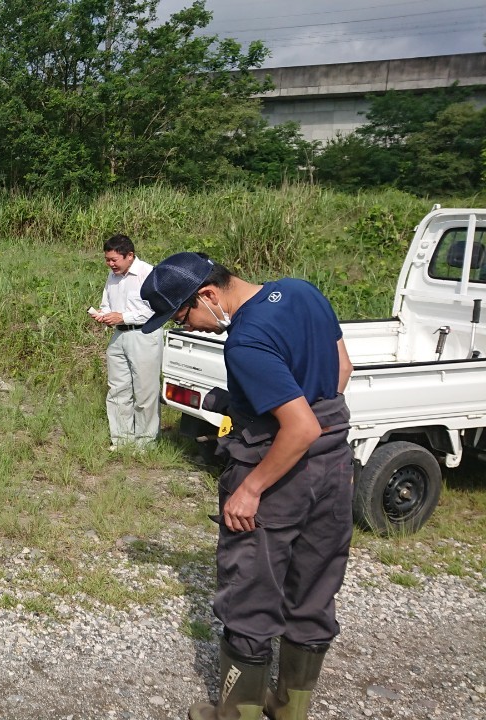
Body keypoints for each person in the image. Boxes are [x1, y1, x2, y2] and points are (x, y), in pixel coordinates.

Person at [139, 253, 353, 720]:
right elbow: (342, 370)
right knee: (314, 588)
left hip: (279, 469)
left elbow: (298, 429)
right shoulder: (302, 291)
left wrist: (251, 488)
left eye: (183, 315)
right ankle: (289, 708)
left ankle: (240, 713)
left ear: (209, 295)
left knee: (250, 595)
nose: (189, 327)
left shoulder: (246, 340)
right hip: (335, 467)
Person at [90, 234, 162, 449]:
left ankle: (145, 444)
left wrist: (123, 316)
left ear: (129, 255)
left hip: (144, 335)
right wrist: (104, 315)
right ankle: (121, 441)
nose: (110, 264)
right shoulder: (112, 276)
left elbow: (157, 310)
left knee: (144, 391)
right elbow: (107, 303)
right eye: (107, 259)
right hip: (118, 335)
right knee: (118, 389)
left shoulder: (147, 273)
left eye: (114, 260)